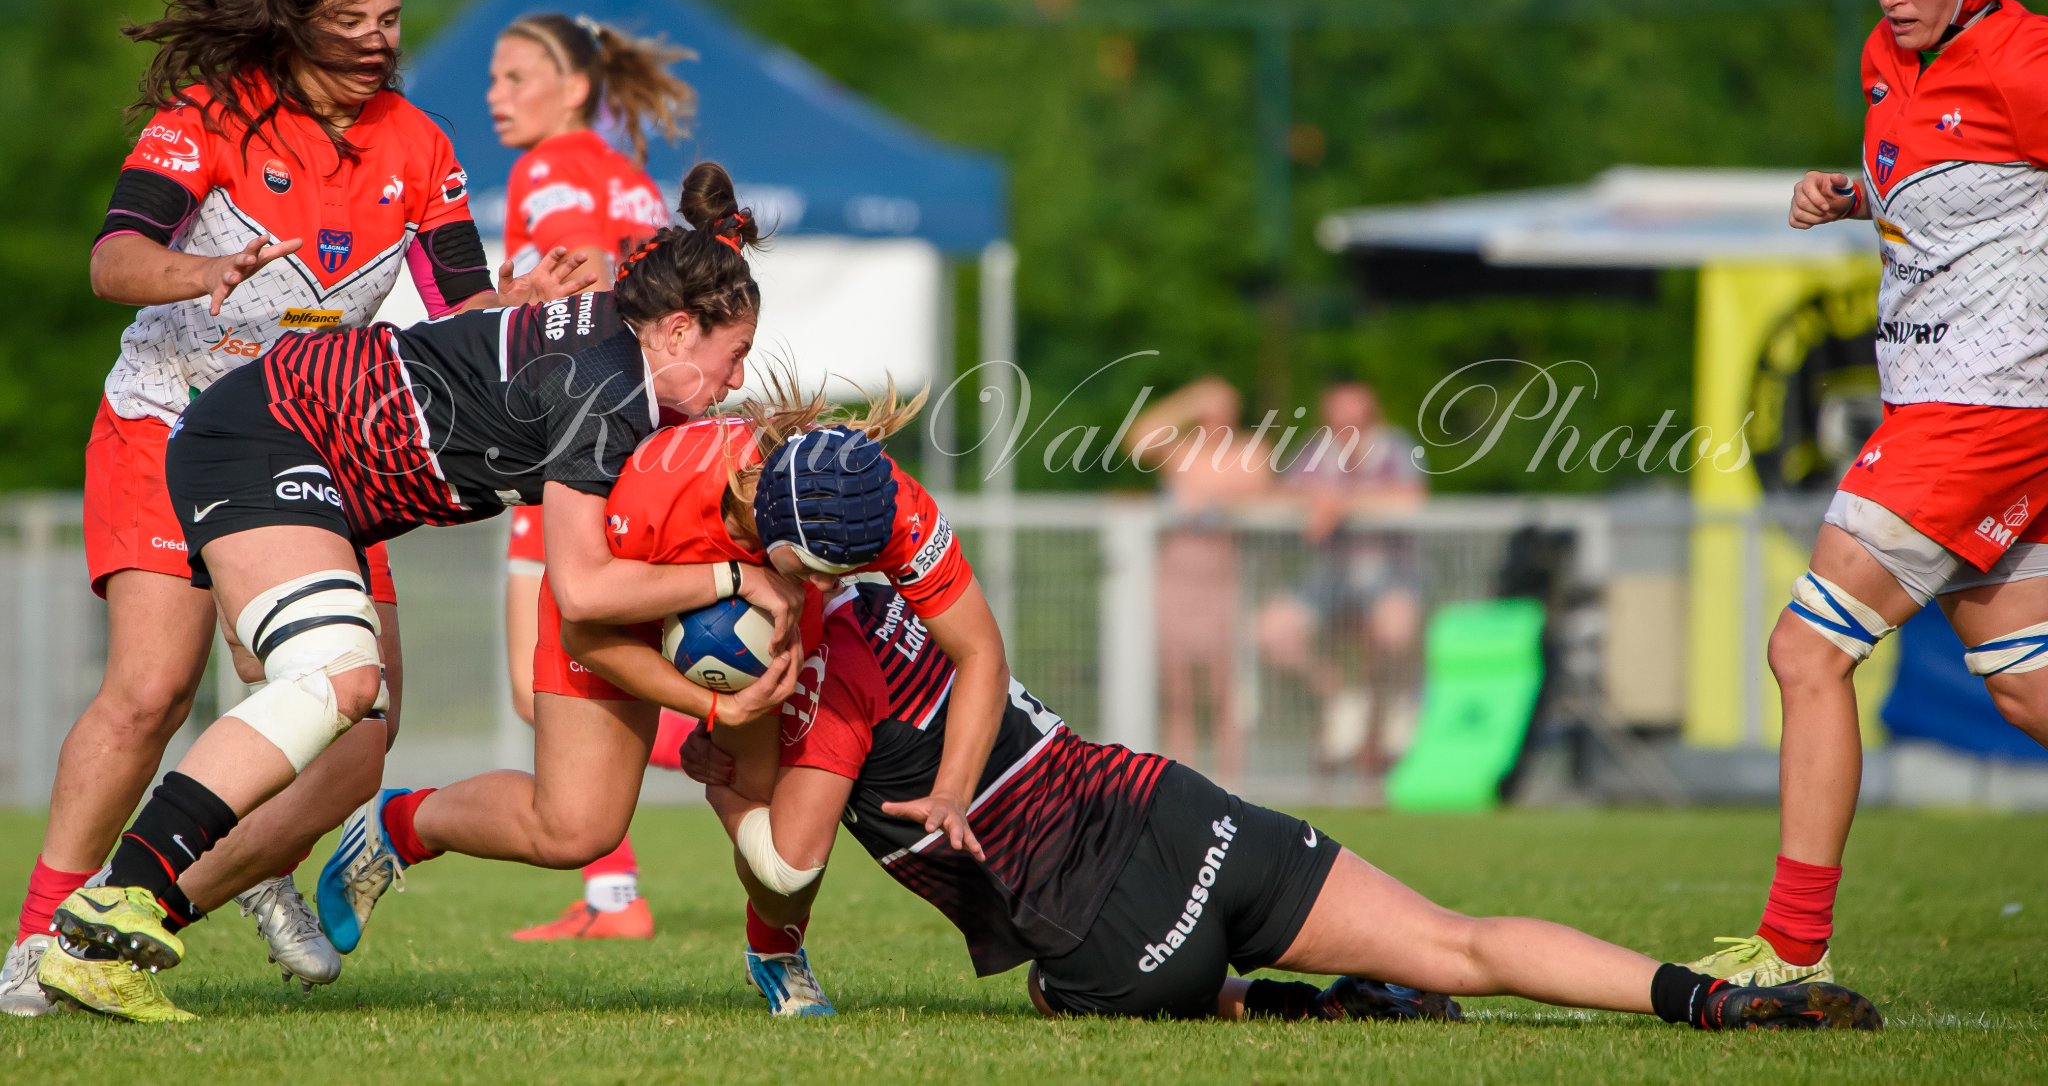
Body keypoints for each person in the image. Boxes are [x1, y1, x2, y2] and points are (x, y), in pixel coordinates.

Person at [0, 0, 583, 1019]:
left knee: (358, 738)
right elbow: (112, 260)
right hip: (170, 423)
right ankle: (39, 938)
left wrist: (519, 303)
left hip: (317, 441)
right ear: (293, 14)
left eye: (392, 15)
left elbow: (463, 312)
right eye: (349, 17)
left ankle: (154, 907)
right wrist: (198, 269)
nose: (377, 36)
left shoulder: (419, 144)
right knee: (152, 686)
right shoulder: (212, 116)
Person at [32, 167, 779, 1023]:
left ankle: (89, 950)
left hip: (303, 457)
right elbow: (582, 587)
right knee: (340, 677)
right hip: (267, 436)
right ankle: (111, 896)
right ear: (679, 329)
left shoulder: (623, 339)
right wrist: (732, 579)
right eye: (735, 357)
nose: (735, 381)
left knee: (352, 737)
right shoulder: (601, 387)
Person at [664, 518, 1881, 1031]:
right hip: (1183, 811)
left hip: (1112, 934)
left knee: (1053, 992)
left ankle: (1287, 1006)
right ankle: (1707, 1002)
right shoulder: (890, 593)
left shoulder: (824, 693)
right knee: (1460, 942)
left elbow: (789, 855)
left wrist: (719, 769)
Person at [313, 393, 1012, 1020]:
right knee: (576, 832)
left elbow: (981, 651)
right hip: (614, 601)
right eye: (823, 572)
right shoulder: (659, 499)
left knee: (776, 833)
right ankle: (396, 826)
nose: (841, 585)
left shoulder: (878, 500)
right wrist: (713, 713)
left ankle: (775, 953)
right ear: (767, 530)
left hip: (748, 598)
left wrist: (951, 790)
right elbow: (588, 626)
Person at [1691, 0, 2048, 987]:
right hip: (1946, 401)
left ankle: (1788, 948)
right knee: (2022, 680)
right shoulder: (1886, 55)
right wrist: (1850, 194)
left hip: (1984, 407)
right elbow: (1946, 175)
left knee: (1804, 647)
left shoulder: (2025, 61)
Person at [489, 11, 699, 942]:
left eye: (516, 76)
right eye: (494, 78)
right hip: (643, 448)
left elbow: (577, 280)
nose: (497, 95)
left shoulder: (550, 169)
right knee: (582, 678)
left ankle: (748, 743)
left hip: (571, 445)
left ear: (575, 88)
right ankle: (615, 895)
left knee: (543, 692)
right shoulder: (633, 180)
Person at [1254, 381, 1427, 775]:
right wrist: (1316, 500)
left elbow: (1410, 497)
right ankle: (1341, 695)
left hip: (1389, 573)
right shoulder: (1318, 451)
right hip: (1330, 577)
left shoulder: (1395, 448)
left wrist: (1339, 504)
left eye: (1357, 422)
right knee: (1270, 631)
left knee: (1395, 629)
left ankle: (1393, 715)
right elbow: (1281, 494)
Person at [1121, 378, 1270, 783]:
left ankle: (1232, 785)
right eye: (1206, 414)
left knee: (1225, 692)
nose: (1212, 421)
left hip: (1224, 583)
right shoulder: (1181, 450)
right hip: (1175, 583)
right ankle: (1180, 783)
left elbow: (1254, 491)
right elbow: (1136, 440)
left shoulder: (1249, 451)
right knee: (1178, 692)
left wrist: (1208, 496)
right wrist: (1187, 399)